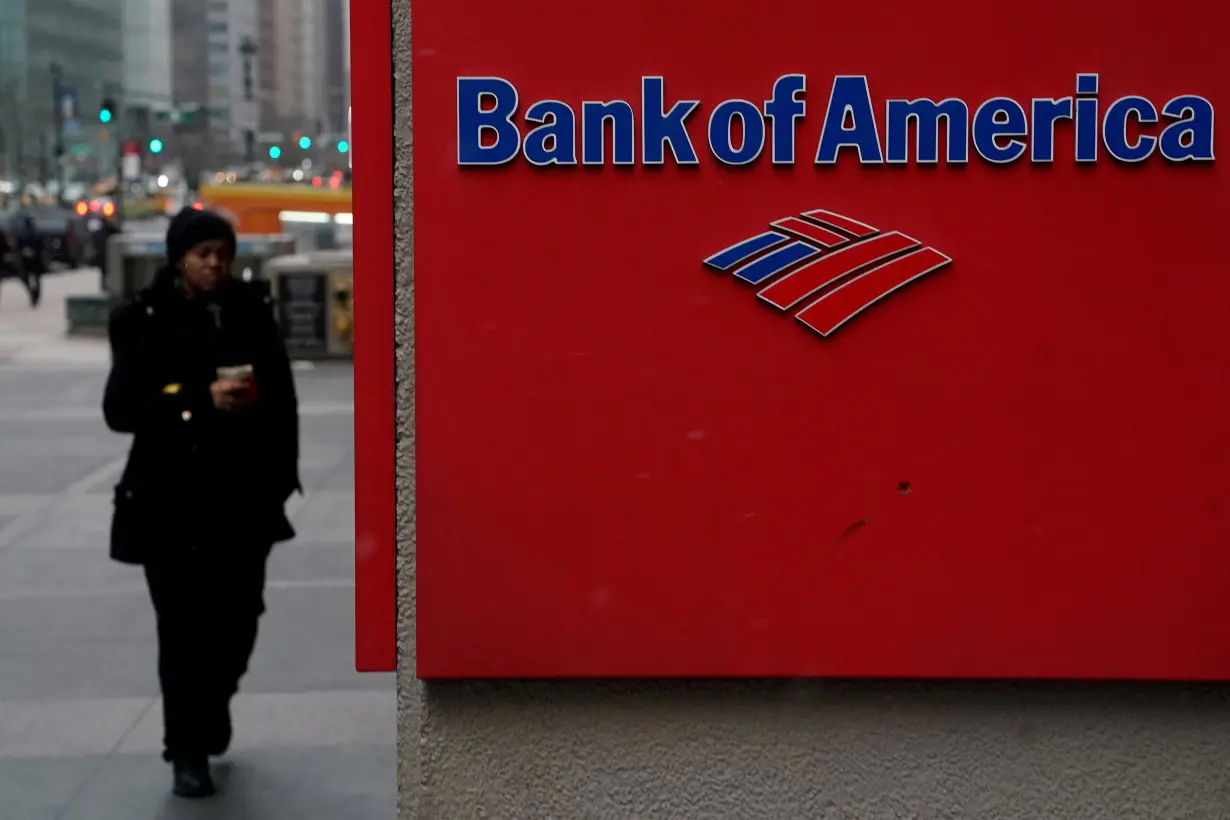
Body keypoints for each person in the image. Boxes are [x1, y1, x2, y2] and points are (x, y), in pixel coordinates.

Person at [102, 207, 301, 799]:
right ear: (179, 258)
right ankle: (185, 748)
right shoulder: (141, 319)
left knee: (240, 620)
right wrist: (197, 400)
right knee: (183, 631)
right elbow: (122, 410)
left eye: (222, 254)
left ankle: (214, 705)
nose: (214, 265)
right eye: (203, 254)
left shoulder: (249, 312)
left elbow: (283, 397)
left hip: (243, 501)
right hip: (170, 502)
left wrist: (282, 475)